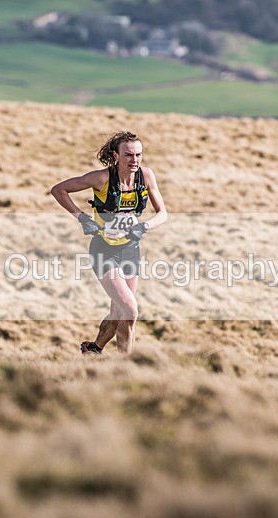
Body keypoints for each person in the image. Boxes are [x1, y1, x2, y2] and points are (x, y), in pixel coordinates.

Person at [51, 131, 167, 355]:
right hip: (104, 252)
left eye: (138, 155)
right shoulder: (101, 178)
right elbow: (59, 190)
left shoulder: (146, 175)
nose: (134, 160)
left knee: (120, 315)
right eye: (128, 155)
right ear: (116, 155)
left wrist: (144, 226)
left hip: (131, 251)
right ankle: (126, 367)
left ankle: (93, 349)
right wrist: (82, 217)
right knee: (131, 309)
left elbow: (163, 213)